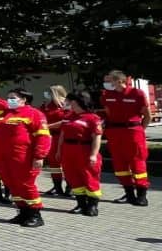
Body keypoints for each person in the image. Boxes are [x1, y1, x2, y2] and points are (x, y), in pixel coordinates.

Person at [0, 89, 51, 227]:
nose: (9, 100)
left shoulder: (34, 114)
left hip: (23, 157)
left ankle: (35, 214)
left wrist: (39, 156)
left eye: (13, 98)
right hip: (4, 157)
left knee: (26, 184)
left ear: (24, 99)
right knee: (12, 184)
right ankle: (23, 211)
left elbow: (43, 136)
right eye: (8, 97)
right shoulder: (5, 114)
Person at [101, 70, 151, 206]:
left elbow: (147, 116)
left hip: (133, 132)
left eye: (110, 80)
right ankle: (129, 194)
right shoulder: (106, 95)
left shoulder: (137, 94)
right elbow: (108, 114)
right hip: (115, 132)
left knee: (137, 163)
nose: (107, 83)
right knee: (119, 165)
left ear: (119, 81)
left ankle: (142, 195)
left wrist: (140, 130)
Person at [57, 91, 103, 216]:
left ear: (77, 102)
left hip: (84, 149)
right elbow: (62, 134)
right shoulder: (68, 116)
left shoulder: (92, 118)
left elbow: (97, 137)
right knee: (73, 177)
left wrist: (93, 154)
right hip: (68, 150)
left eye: (69, 101)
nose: (67, 103)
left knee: (89, 177)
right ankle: (81, 204)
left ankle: (92, 206)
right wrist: (59, 150)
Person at [39, 85, 69, 197]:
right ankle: (57, 187)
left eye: (49, 92)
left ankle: (70, 186)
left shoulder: (65, 105)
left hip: (61, 136)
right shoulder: (46, 105)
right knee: (53, 163)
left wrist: (49, 126)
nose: (46, 94)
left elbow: (65, 121)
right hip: (49, 136)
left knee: (65, 163)